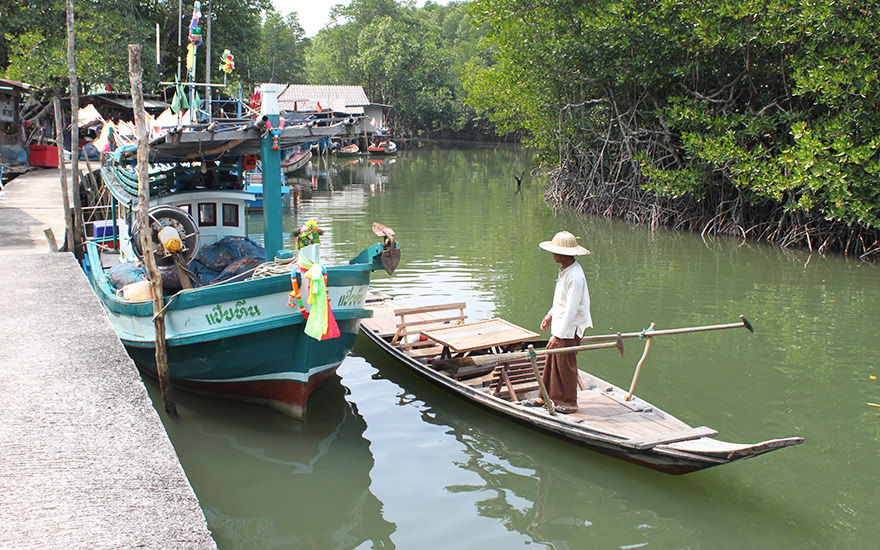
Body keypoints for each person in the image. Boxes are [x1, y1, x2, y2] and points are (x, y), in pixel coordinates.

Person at [524, 231, 592, 414]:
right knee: (552, 361)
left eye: (556, 252)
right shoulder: (565, 270)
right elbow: (561, 302)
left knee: (565, 365)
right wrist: (550, 315)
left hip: (570, 328)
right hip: (561, 325)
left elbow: (571, 308)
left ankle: (570, 403)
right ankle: (544, 397)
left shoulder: (575, 276)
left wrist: (557, 334)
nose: (553, 255)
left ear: (566, 254)